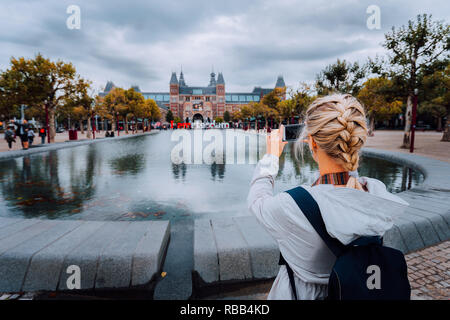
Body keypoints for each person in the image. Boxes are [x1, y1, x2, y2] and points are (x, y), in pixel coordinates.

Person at [247, 94, 409, 300]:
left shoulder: (293, 206)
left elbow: (256, 199)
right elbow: (346, 185)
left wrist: (271, 156)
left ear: (312, 143)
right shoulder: (375, 194)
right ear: (357, 141)